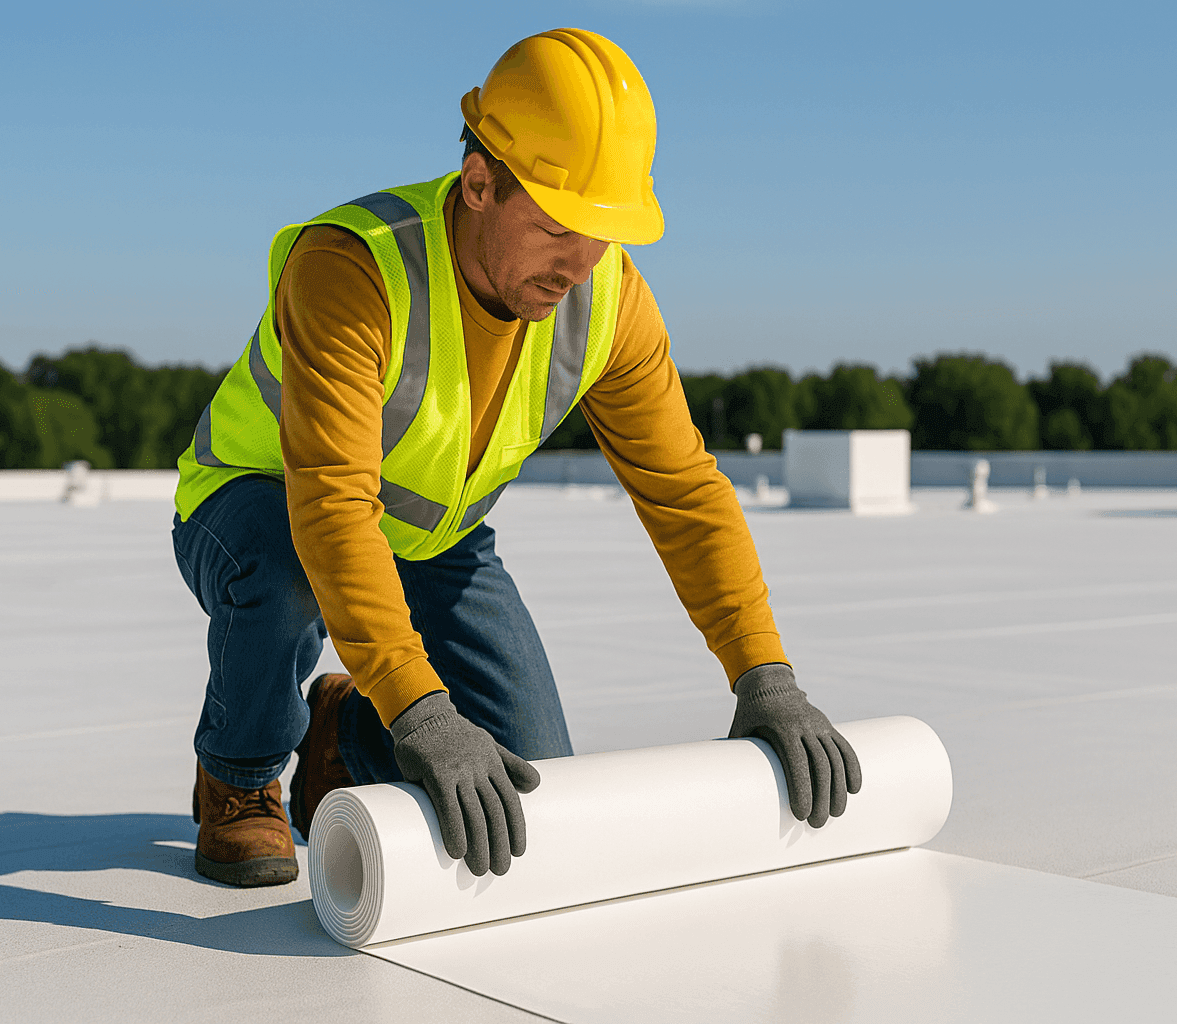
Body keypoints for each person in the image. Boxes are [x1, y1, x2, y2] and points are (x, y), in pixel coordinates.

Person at [171, 27, 860, 887]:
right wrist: (421, 711)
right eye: (559, 226)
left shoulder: (607, 299)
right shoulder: (354, 268)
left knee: (532, 777)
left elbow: (683, 490)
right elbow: (332, 508)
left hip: (432, 542)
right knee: (287, 579)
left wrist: (765, 676)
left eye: (603, 232)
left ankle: (339, 739)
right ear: (479, 183)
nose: (579, 264)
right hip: (258, 506)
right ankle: (239, 778)